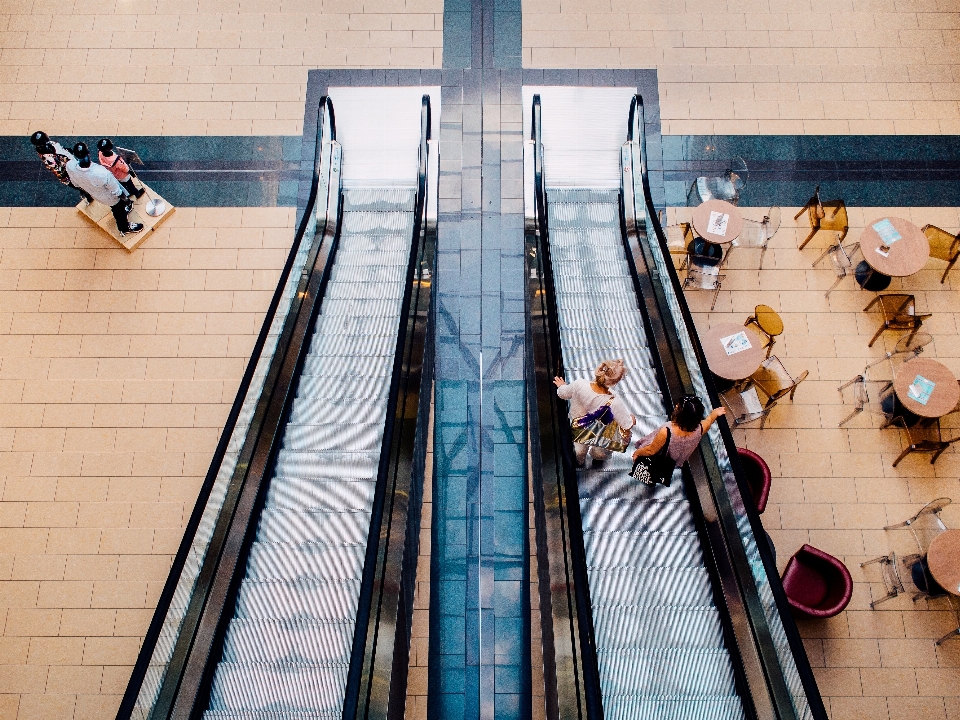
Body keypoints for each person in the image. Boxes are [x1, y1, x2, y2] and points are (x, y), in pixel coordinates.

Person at [554, 359, 636, 467]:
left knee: (578, 449)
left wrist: (561, 386)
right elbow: (626, 424)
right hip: (601, 432)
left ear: (599, 370)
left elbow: (563, 394)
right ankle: (597, 457)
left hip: (579, 428)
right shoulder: (614, 402)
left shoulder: (579, 384)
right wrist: (632, 419)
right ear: (616, 381)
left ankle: (579, 461)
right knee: (601, 450)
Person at [65, 142, 143, 237]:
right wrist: (127, 200)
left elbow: (75, 183)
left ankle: (124, 211)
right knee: (119, 212)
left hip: (97, 195)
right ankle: (124, 228)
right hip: (111, 198)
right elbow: (117, 192)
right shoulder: (102, 173)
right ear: (88, 153)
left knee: (117, 208)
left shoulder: (69, 166)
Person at [632, 395, 726, 470]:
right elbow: (709, 420)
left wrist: (638, 452)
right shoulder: (701, 428)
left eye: (678, 407)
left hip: (658, 456)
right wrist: (715, 413)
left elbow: (650, 450)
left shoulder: (667, 432)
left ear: (682, 415)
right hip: (672, 460)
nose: (676, 406)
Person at [29, 131, 92, 203]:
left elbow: (61, 149)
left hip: (70, 161)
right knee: (78, 184)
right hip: (68, 172)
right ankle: (86, 194)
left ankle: (84, 189)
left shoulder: (50, 143)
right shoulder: (49, 159)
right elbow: (60, 172)